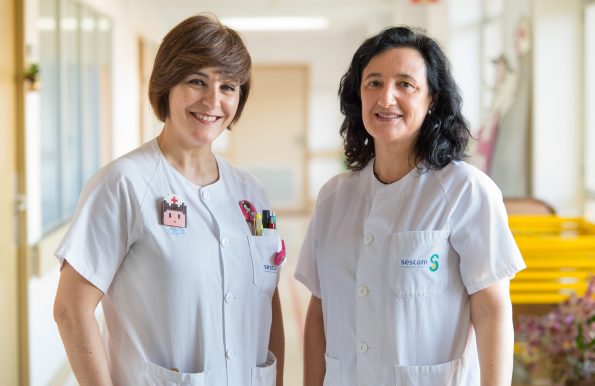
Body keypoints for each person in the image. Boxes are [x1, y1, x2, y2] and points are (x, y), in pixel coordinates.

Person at [53, 14, 284, 386]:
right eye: (197, 81)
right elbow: (71, 310)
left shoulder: (253, 194)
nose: (213, 100)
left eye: (228, 87)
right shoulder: (123, 184)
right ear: (166, 85)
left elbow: (267, 300)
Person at [295, 26, 525, 386]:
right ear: (359, 94)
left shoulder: (465, 190)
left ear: (431, 97)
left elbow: (492, 310)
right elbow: (320, 310)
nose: (386, 98)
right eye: (374, 82)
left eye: (405, 84)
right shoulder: (334, 198)